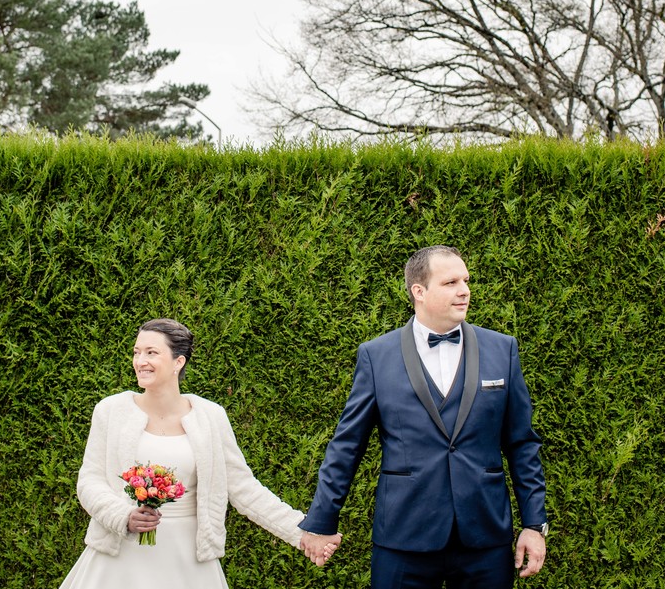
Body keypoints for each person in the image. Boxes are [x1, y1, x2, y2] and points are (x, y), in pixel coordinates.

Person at [299, 245, 548, 587]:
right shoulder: (376, 356)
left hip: (485, 537)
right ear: (419, 291)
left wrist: (534, 525)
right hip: (404, 537)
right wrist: (321, 522)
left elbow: (522, 444)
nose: (465, 290)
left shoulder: (502, 349)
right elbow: (347, 446)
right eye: (450, 283)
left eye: (466, 280)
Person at [58, 318, 339, 588]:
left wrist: (305, 532)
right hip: (119, 559)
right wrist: (124, 516)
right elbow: (89, 482)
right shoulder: (111, 411)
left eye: (151, 352)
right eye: (137, 352)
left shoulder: (210, 417)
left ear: (178, 362)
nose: (140, 361)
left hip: (188, 561)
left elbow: (244, 489)